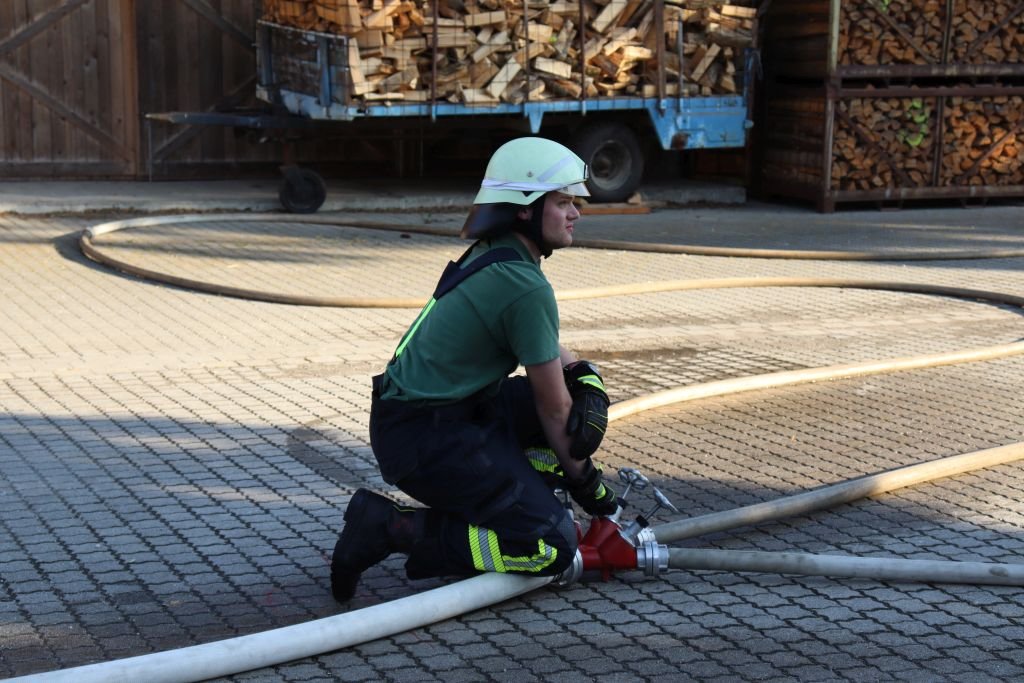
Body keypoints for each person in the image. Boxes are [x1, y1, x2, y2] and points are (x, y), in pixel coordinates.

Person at [331, 137, 618, 602]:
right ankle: (390, 527)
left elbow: (543, 348)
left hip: (433, 416)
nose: (576, 213)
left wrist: (583, 370)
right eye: (563, 201)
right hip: (426, 439)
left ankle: (521, 500)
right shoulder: (523, 284)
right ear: (525, 210)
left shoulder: (498, 252)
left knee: (570, 406)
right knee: (552, 545)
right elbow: (553, 408)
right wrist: (592, 490)